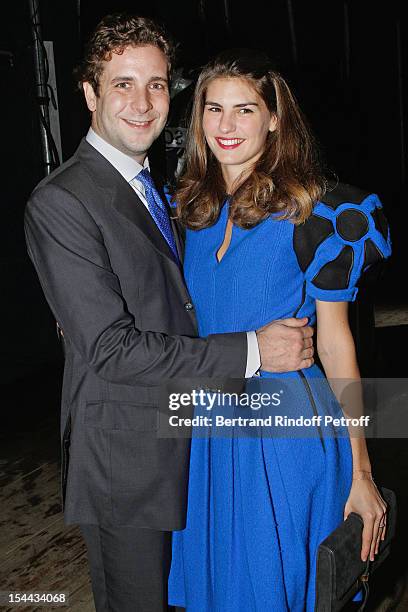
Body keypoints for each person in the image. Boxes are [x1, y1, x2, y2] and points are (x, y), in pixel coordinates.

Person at [24, 16, 315, 612]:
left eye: (156, 84)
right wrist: (256, 350)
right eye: (122, 84)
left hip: (190, 443)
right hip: (126, 462)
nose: (142, 101)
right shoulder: (62, 199)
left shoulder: (155, 187)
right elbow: (110, 348)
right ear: (88, 94)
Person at [168, 49, 392, 611]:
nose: (225, 126)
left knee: (280, 587)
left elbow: (339, 345)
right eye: (213, 109)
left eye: (244, 110)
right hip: (208, 425)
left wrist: (362, 472)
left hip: (285, 430)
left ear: (274, 118)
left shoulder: (315, 212)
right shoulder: (189, 208)